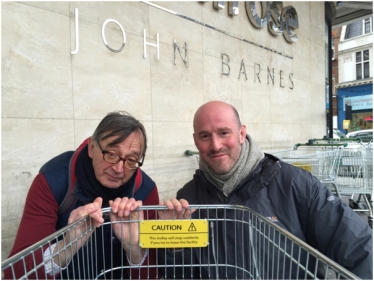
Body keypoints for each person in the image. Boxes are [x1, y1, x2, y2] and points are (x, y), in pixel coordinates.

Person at [158, 101, 373, 279]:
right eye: (205, 136)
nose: (215, 145)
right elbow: (180, 274)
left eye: (224, 133)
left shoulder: (295, 185)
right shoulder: (187, 199)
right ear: (195, 141)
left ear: (242, 134)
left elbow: (359, 249)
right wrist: (174, 247)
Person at [5, 111, 161, 279]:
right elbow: (16, 272)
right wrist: (66, 246)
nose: (118, 169)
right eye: (111, 154)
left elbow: (154, 274)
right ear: (92, 147)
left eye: (131, 160)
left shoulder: (145, 192)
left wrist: (134, 250)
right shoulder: (52, 181)